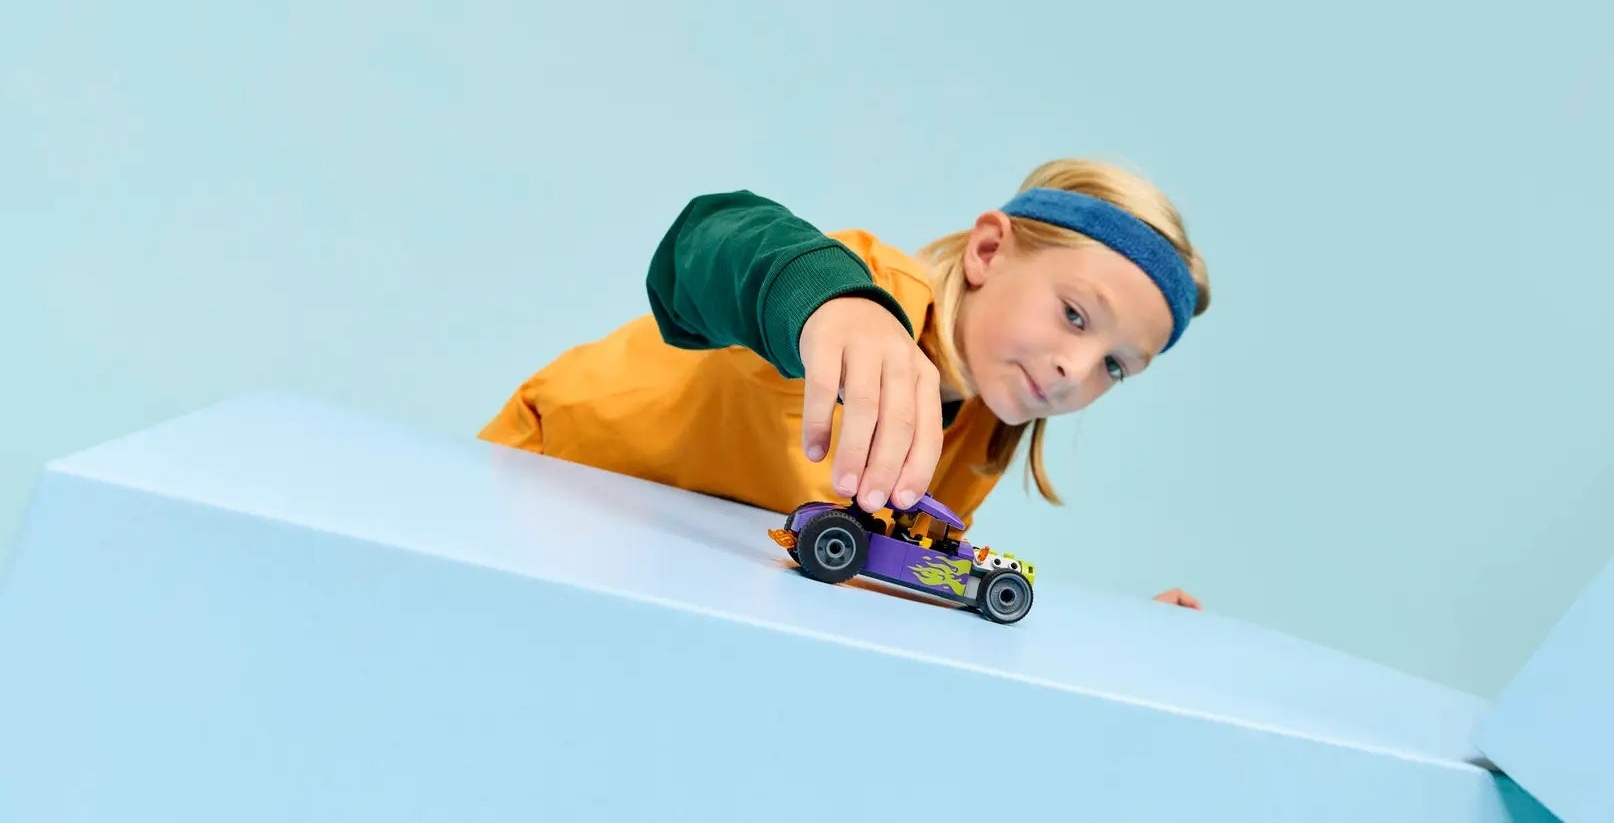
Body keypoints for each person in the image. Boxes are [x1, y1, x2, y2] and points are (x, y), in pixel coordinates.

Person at [479, 157, 1210, 606]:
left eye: (1115, 366)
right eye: (1075, 315)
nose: (1076, 369)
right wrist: (830, 304)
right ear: (989, 250)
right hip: (539, 507)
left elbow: (902, 577)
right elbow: (711, 237)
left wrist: (1112, 634)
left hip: (667, 584)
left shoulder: (982, 432)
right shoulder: (867, 295)